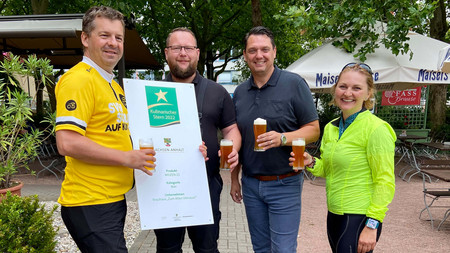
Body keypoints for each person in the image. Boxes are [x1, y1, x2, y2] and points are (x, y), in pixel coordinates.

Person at [54, 6, 157, 252]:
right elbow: (67, 142)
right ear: (85, 38)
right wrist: (126, 158)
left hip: (110, 199)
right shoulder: (79, 79)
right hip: (90, 201)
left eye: (118, 37)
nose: (113, 43)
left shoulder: (112, 85)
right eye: (105, 35)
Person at [231, 26, 320, 252]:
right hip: (251, 184)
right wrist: (234, 178)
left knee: (282, 249)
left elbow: (313, 130)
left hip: (285, 183)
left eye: (264, 49)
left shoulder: (294, 84)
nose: (258, 55)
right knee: (260, 248)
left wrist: (282, 138)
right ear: (245, 55)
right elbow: (237, 138)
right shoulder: (240, 92)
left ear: (274, 52)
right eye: (252, 50)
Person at [153, 27, 241, 253]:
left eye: (188, 48)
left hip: (206, 184)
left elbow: (231, 129)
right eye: (176, 48)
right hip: (164, 186)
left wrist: (233, 149)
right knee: (167, 249)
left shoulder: (217, 92)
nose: (183, 53)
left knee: (207, 248)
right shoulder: (151, 91)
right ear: (166, 53)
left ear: (198, 53)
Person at [292, 63, 396, 253]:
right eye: (343, 86)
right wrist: (311, 162)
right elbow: (329, 170)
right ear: (335, 90)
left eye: (356, 88)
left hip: (360, 215)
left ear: (368, 93)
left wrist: (372, 225)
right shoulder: (332, 127)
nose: (348, 93)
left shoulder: (376, 129)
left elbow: (385, 181)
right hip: (334, 213)